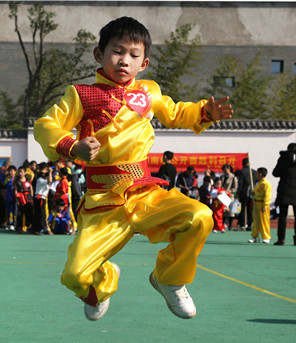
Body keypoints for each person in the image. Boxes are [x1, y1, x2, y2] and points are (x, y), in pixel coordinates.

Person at [33, 16, 233, 321]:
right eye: (117, 51)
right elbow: (46, 125)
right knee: (74, 275)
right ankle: (103, 282)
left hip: (145, 193)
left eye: (133, 55)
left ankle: (168, 277)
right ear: (99, 55)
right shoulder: (81, 95)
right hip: (103, 203)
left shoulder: (149, 93)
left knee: (199, 217)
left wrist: (205, 112)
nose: (124, 60)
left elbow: (177, 112)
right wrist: (73, 147)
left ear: (144, 63)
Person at [273, 142, 296, 246]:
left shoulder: (283, 157)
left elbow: (275, 173)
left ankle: (281, 239)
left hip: (284, 189)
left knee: (283, 216)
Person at [248, 167, 272, 244]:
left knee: (264, 221)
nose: (256, 174)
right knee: (255, 221)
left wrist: (265, 205)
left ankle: (266, 237)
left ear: (260, 174)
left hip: (262, 204)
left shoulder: (266, 184)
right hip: (256, 203)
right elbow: (255, 194)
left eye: (257, 173)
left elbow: (267, 196)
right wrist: (252, 194)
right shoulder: (257, 183)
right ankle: (254, 236)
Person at [234, 158, 256, 231]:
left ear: (243, 163)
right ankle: (250, 224)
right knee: (250, 209)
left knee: (243, 209)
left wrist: (238, 193)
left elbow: (241, 183)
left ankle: (243, 224)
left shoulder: (242, 172)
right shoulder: (254, 172)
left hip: (244, 192)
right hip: (252, 192)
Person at [32, 163, 54, 235]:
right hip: (39, 198)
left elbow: (50, 183)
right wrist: (50, 172)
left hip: (42, 198)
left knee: (43, 214)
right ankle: (38, 229)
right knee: (40, 214)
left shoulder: (43, 180)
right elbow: (49, 181)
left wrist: (50, 174)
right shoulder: (40, 179)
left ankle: (40, 228)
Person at [220, 163, 238, 230]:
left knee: (230, 211)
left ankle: (230, 225)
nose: (224, 171)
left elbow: (235, 188)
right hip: (222, 195)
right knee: (223, 211)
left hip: (230, 196)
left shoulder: (233, 177)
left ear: (229, 169)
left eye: (226, 169)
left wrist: (229, 191)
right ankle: (223, 225)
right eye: (223, 170)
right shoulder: (222, 177)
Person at [16, 166, 33, 232]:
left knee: (29, 212)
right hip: (20, 198)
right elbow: (16, 191)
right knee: (20, 213)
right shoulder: (17, 181)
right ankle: (19, 227)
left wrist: (31, 197)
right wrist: (17, 200)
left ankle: (28, 226)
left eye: (21, 172)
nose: (20, 173)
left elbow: (31, 189)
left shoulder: (28, 180)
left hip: (28, 198)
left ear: (25, 173)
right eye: (19, 172)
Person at [0, 160, 10, 229]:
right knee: (1, 208)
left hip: (4, 193)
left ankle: (1, 223)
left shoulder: (1, 172)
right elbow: (3, 182)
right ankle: (0, 223)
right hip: (1, 193)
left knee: (2, 208)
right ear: (6, 166)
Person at [5, 165, 18, 231]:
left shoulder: (17, 178)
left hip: (15, 197)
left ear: (15, 172)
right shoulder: (7, 178)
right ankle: (9, 223)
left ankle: (14, 224)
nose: (10, 172)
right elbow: (5, 184)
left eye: (12, 171)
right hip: (9, 197)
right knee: (9, 210)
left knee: (15, 210)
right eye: (9, 171)